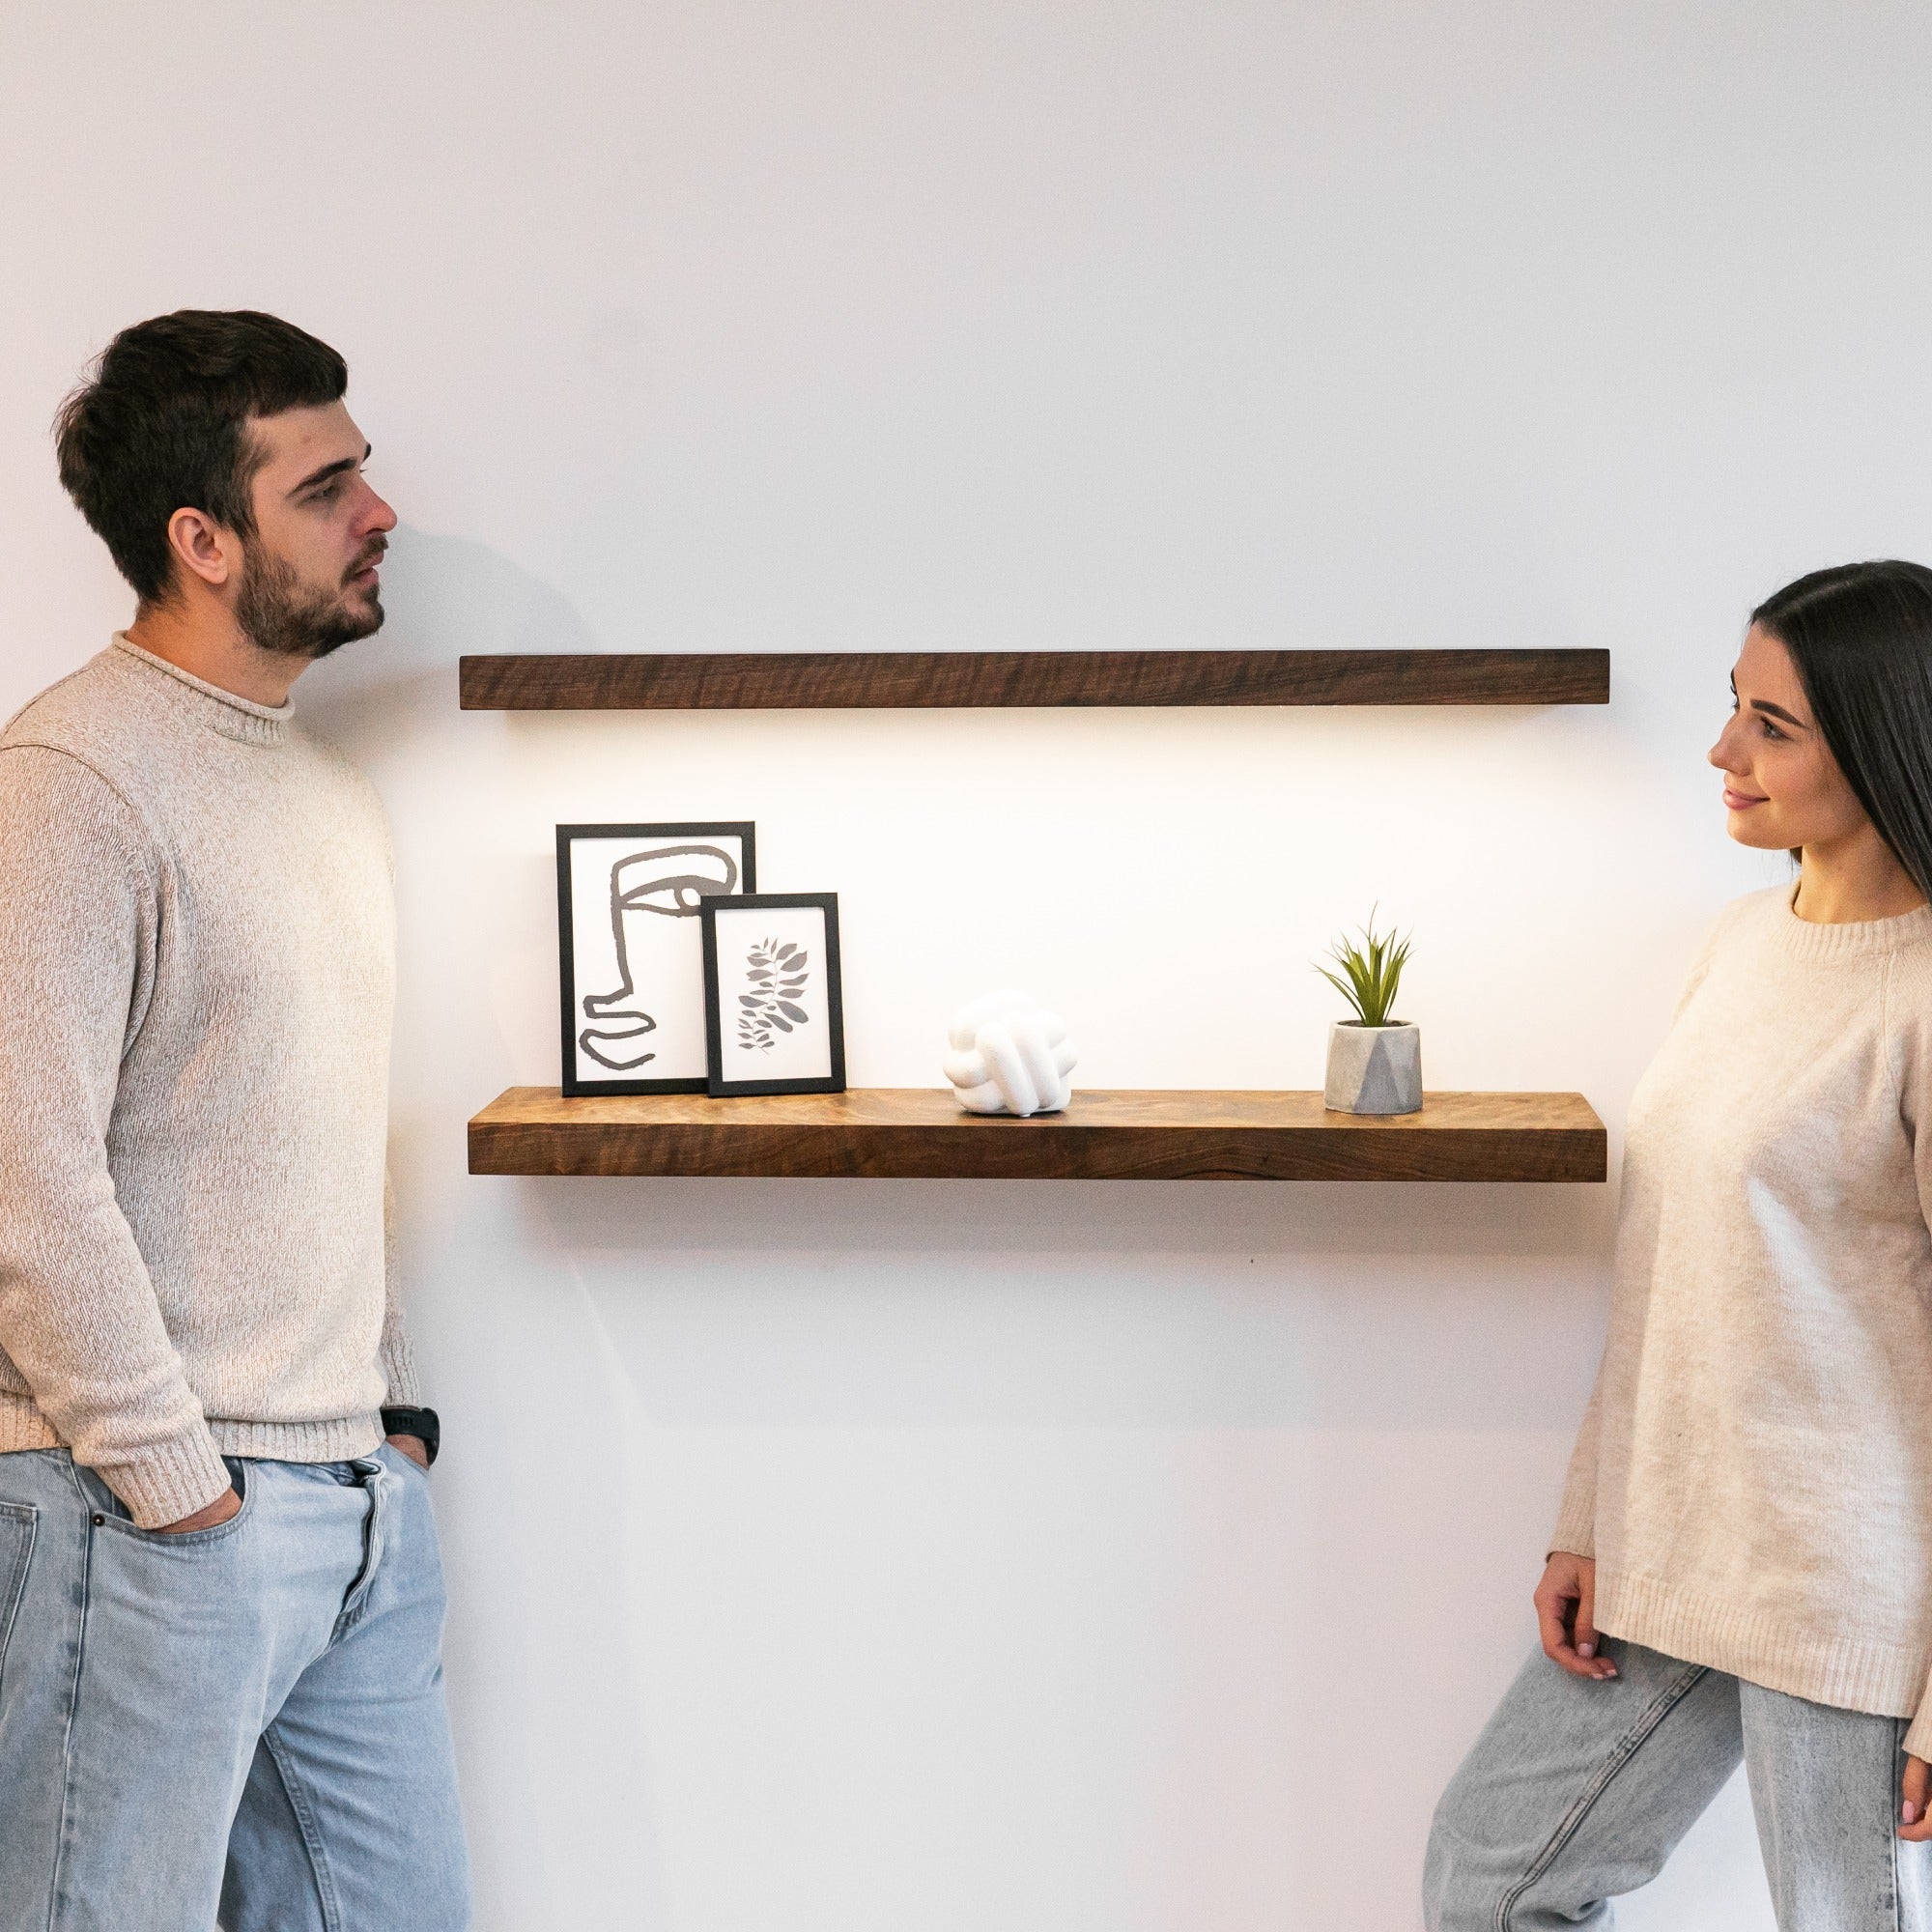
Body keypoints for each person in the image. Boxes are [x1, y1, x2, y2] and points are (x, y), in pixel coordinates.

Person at [0, 311, 469, 1930]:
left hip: (351, 1516)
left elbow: (328, 1140)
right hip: (144, 1524)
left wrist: (391, 1423)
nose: (379, 510)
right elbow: (23, 1173)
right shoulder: (68, 780)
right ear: (202, 540)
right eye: (327, 484)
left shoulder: (325, 795)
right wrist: (177, 1488)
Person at [1424, 560, 1932, 1929]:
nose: (1723, 751)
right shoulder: (1738, 945)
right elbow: (1666, 1265)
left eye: (1775, 726)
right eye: (1732, 708)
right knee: (1488, 1872)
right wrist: (1593, 1518)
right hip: (1677, 1550)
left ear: (1888, 743)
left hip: (1841, 1588)